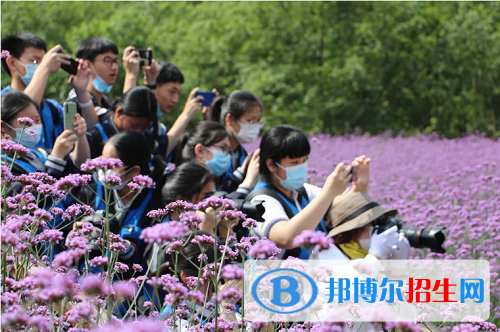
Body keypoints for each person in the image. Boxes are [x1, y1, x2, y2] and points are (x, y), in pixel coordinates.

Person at [247, 125, 369, 259]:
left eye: (304, 160)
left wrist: (359, 185)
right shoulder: (262, 200)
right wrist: (329, 192)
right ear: (271, 165)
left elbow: (344, 207)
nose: (301, 166)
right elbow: (285, 238)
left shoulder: (302, 191)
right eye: (294, 162)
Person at [68, 131, 164, 277]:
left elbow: (151, 265)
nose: (102, 166)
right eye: (102, 159)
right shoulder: (92, 192)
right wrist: (73, 235)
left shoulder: (155, 207)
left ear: (134, 171)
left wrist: (124, 248)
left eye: (110, 164)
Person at [1, 32, 95, 148]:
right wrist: (45, 67)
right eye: (35, 61)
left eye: (43, 61)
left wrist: (82, 91)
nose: (40, 67)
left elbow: (93, 131)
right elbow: (24, 108)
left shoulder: (52, 108)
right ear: (11, 62)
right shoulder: (2, 103)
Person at [1, 91, 89, 178]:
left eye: (37, 120)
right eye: (27, 122)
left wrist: (80, 136)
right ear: (3, 126)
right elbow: (33, 191)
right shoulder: (4, 165)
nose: (34, 126)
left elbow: (79, 165)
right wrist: (56, 158)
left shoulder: (39, 154)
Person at [178, 121, 260, 196]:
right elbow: (221, 206)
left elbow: (226, 188)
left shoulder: (207, 179)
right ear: (200, 151)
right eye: (223, 148)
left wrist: (242, 170)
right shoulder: (186, 182)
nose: (228, 156)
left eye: (228, 150)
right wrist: (247, 184)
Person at [211, 90, 265, 192]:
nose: (256, 126)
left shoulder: (241, 153)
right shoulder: (213, 153)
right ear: (230, 119)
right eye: (251, 120)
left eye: (258, 120)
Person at [85, 86, 158, 159]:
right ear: (119, 112)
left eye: (144, 128)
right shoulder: (94, 138)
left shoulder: (147, 139)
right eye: (134, 126)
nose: (138, 132)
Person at [67, 37, 121, 124]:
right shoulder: (76, 101)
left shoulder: (106, 102)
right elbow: (120, 124)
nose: (114, 67)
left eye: (115, 61)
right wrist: (131, 75)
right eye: (108, 61)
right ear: (87, 65)